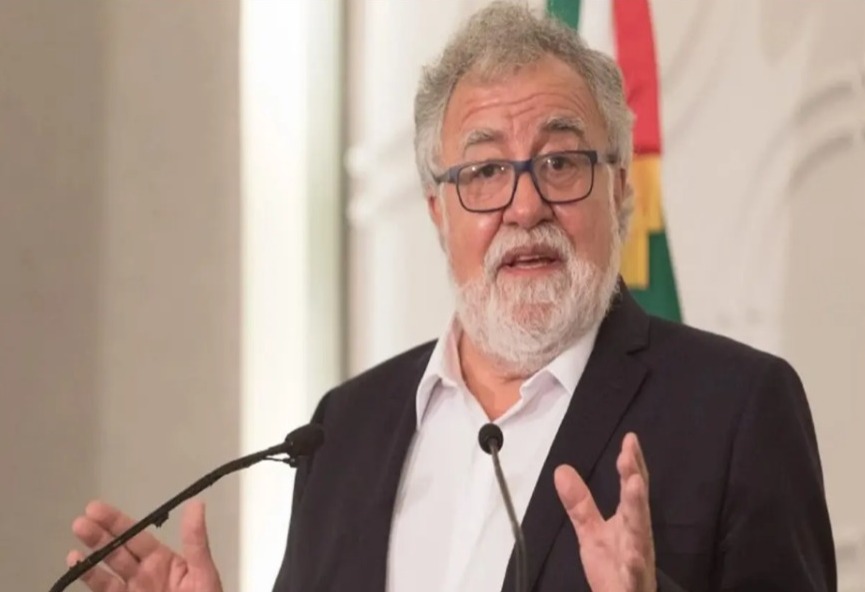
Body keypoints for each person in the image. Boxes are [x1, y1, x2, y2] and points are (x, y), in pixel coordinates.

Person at [65, 2, 836, 591]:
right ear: (437, 209)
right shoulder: (343, 429)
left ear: (619, 188)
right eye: (484, 171)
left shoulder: (735, 408)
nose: (525, 206)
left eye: (560, 163)